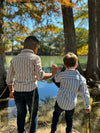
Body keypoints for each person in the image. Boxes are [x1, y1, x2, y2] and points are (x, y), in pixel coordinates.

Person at [6, 36, 57, 133]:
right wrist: (53, 74)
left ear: (24, 46)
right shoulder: (35, 58)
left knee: (20, 115)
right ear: (35, 47)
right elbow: (40, 76)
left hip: (18, 92)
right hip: (31, 92)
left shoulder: (14, 59)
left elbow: (9, 79)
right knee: (33, 114)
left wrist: (11, 90)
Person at [50, 52, 90, 133]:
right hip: (71, 104)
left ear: (64, 65)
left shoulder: (62, 75)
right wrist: (87, 106)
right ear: (76, 65)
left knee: (56, 116)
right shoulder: (81, 79)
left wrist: (57, 71)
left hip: (60, 102)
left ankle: (53, 131)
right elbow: (85, 93)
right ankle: (69, 131)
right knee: (69, 119)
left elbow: (56, 79)